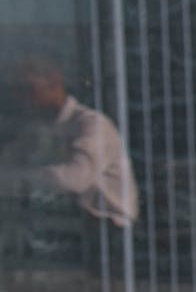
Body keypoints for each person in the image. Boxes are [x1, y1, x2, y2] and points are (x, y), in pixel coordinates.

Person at [2, 54, 137, 227]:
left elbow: (75, 179)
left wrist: (17, 182)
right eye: (17, 92)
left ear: (53, 81)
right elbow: (8, 162)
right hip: (64, 229)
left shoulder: (93, 125)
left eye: (28, 89)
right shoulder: (36, 130)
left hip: (108, 231)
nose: (22, 100)